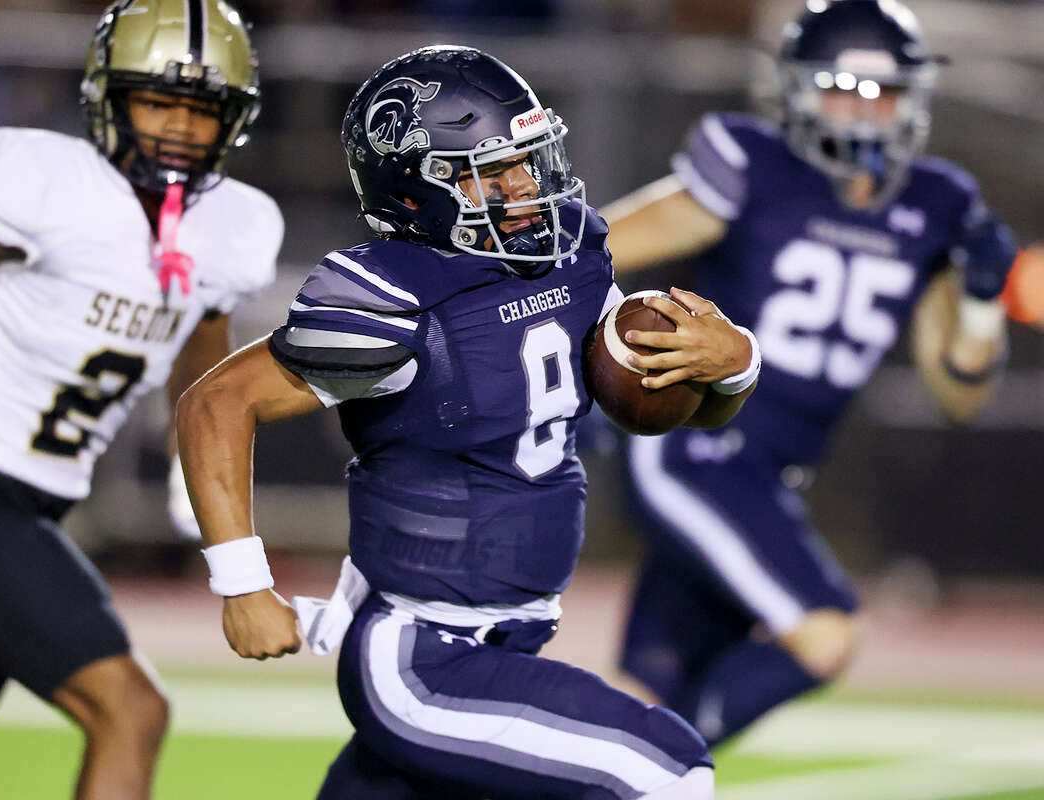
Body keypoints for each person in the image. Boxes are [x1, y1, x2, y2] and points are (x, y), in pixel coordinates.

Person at [178, 44, 761, 800]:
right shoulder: (392, 300)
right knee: (664, 770)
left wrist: (733, 362)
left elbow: (659, 401)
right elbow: (216, 403)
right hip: (421, 659)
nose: (525, 185)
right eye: (492, 171)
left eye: (528, 158)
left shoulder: (569, 258)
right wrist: (243, 583)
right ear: (416, 191)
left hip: (509, 635)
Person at [0, 1, 283, 797]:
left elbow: (204, 355)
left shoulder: (234, 226)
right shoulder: (48, 184)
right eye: (159, 101)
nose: (181, 128)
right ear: (108, 98)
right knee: (132, 710)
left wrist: (200, 468)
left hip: (34, 507)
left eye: (202, 108)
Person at [601, 0, 1017, 747]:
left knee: (643, 692)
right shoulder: (753, 166)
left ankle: (597, 771)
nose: (866, 112)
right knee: (825, 634)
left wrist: (983, 306)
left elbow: (960, 392)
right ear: (795, 88)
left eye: (884, 92)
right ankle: (648, 771)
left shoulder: (936, 202)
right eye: (845, 89)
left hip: (770, 478)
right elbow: (594, 250)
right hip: (696, 450)